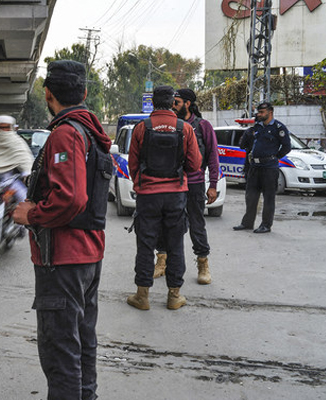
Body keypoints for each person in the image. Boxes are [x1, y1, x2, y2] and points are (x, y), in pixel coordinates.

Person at [13, 59, 112, 400]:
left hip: (63, 260)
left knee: (60, 352)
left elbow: (71, 199)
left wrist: (32, 214)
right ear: (83, 93)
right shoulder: (91, 133)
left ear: (48, 95)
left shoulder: (66, 133)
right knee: (82, 342)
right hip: (87, 256)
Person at [126, 85, 202, 311]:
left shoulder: (142, 128)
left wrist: (143, 182)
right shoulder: (185, 128)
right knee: (175, 244)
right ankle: (174, 296)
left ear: (151, 102)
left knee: (145, 245)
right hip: (176, 196)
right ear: (172, 103)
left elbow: (133, 164)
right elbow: (195, 165)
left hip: (147, 196)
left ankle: (142, 296)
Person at [153, 89, 220, 285]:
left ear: (188, 104)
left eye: (177, 102)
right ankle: (162, 261)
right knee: (165, 224)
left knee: (197, 225)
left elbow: (213, 157)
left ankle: (202, 263)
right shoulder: (171, 125)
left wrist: (213, 185)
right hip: (171, 183)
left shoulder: (203, 126)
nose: (173, 106)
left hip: (195, 184)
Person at [233, 102, 291, 233]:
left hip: (269, 168)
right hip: (254, 166)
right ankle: (247, 223)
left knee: (268, 197)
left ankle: (266, 225)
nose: (259, 114)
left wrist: (275, 157)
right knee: (251, 196)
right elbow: (244, 145)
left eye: (262, 112)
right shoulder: (256, 127)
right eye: (258, 112)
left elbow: (287, 147)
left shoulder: (278, 128)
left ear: (270, 112)